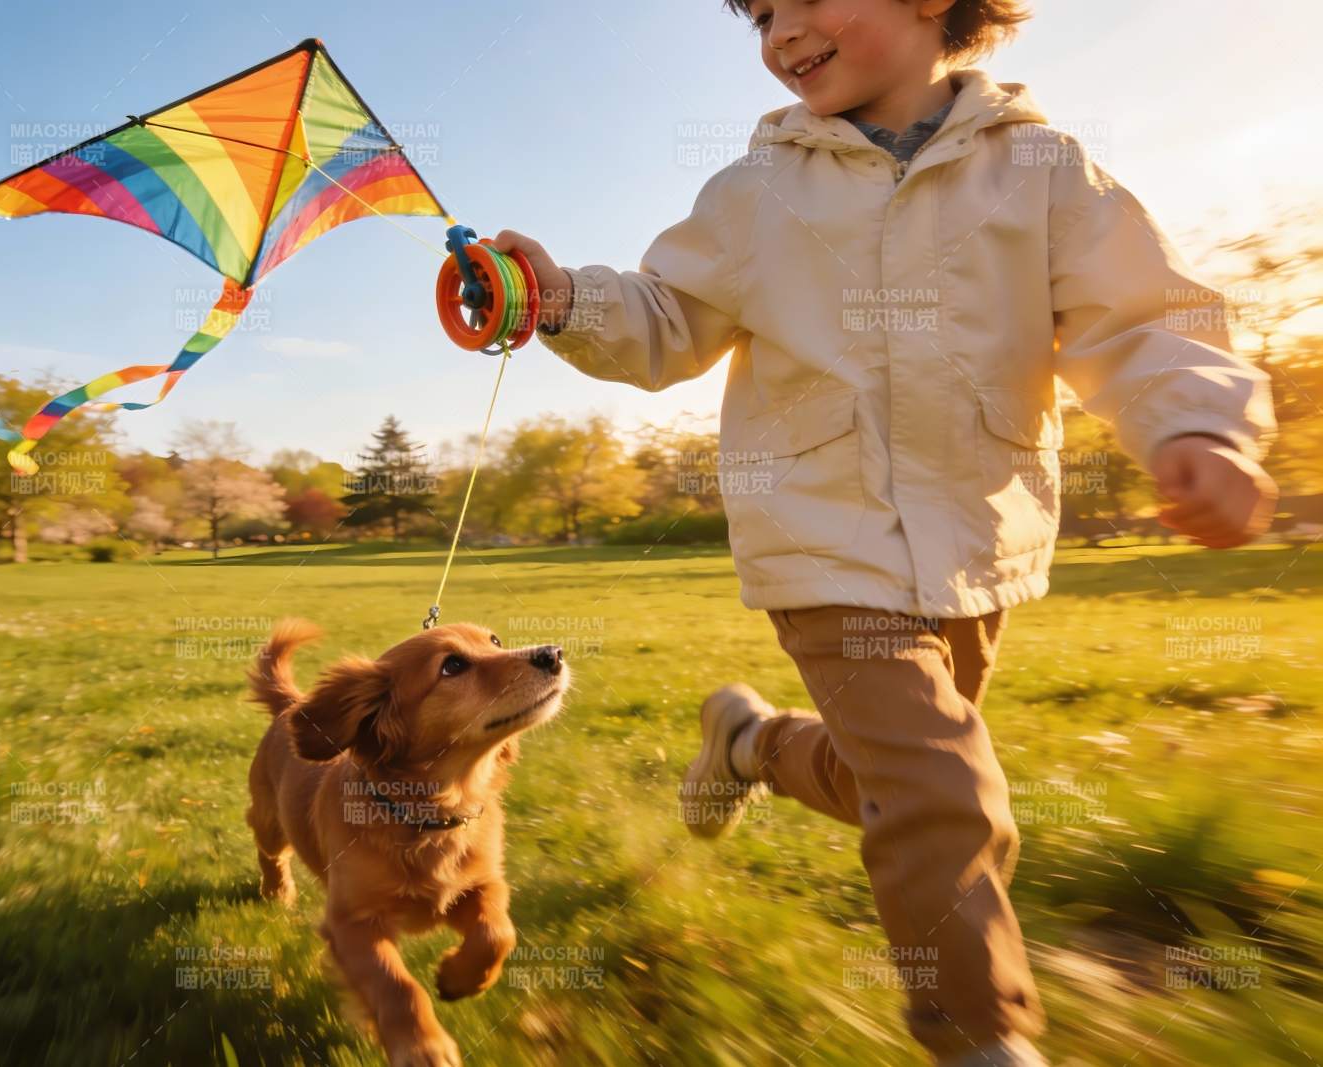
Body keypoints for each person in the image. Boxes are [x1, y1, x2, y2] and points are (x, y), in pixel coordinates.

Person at [493, 1, 1278, 1063]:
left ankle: (753, 743)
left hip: (976, 537)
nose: (779, 34)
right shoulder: (754, 192)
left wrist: (1197, 426)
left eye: (803, 0)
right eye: (761, 15)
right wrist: (557, 299)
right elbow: (667, 317)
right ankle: (979, 1034)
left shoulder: (1043, 168)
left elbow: (1139, 316)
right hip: (822, 534)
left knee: (891, 787)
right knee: (942, 789)